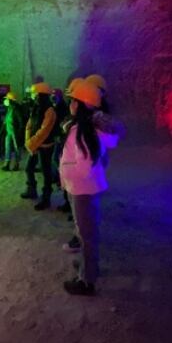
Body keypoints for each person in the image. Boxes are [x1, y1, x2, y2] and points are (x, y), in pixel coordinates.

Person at [60, 80, 120, 296]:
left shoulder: (83, 132)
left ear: (80, 104)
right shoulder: (89, 129)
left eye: (72, 100)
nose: (70, 104)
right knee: (85, 231)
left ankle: (87, 280)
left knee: (86, 235)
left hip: (82, 189)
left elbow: (84, 167)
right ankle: (89, 267)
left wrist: (68, 176)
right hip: (83, 189)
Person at [21, 82, 57, 210]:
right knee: (28, 168)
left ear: (40, 95)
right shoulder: (36, 107)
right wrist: (29, 142)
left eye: (34, 93)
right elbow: (29, 125)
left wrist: (31, 144)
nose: (32, 95)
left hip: (45, 146)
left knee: (46, 172)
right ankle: (32, 190)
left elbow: (44, 131)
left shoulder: (50, 110)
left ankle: (46, 198)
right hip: (35, 145)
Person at [1, 91, 25, 171]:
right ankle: (7, 164)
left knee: (17, 148)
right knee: (7, 148)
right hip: (9, 132)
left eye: (7, 99)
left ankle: (16, 164)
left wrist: (19, 133)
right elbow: (6, 120)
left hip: (15, 133)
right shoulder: (9, 108)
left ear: (11, 100)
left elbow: (21, 122)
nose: (6, 100)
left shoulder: (17, 109)